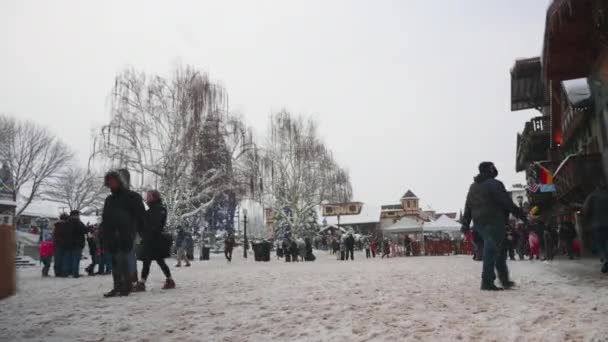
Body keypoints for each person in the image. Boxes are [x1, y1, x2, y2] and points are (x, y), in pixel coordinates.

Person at [461, 162, 527, 291]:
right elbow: (506, 202)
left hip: (479, 223)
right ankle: (487, 282)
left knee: (500, 251)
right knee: (492, 251)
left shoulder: (473, 187)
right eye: (493, 167)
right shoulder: (494, 184)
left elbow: (468, 206)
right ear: (490, 170)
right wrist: (522, 216)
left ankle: (504, 280)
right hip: (495, 222)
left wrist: (466, 224)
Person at [101, 169, 146, 298]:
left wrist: (140, 232)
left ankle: (126, 286)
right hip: (112, 234)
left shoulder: (131, 196)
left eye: (113, 180)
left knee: (123, 259)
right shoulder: (109, 200)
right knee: (115, 261)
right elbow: (106, 218)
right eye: (109, 181)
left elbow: (140, 215)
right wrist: (105, 233)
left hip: (126, 233)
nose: (111, 183)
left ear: (119, 181)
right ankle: (117, 286)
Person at [133, 190, 175, 292]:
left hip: (154, 239)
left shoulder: (158, 209)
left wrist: (143, 226)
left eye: (148, 196)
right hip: (151, 239)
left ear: (153, 197)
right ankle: (168, 280)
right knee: (154, 261)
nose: (146, 198)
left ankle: (143, 283)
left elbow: (153, 223)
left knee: (153, 261)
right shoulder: (153, 208)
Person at [582, 183, 608, 273]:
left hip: (598, 224)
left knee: (600, 243)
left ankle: (605, 259)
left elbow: (585, 209)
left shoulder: (592, 196)